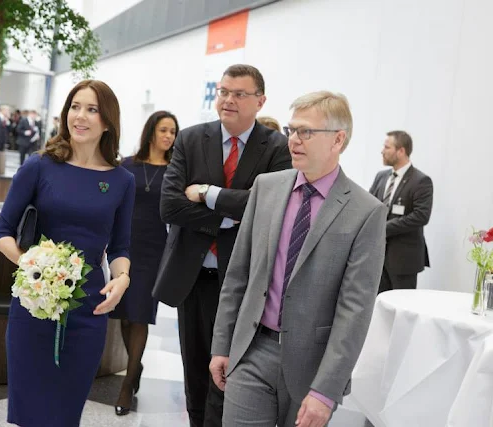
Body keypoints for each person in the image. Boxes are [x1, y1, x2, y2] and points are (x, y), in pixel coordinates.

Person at [210, 91, 387, 427]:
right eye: (291, 130)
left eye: (306, 132)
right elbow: (238, 275)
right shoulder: (267, 188)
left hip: (313, 367)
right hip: (252, 350)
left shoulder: (366, 212)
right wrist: (222, 344)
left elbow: (355, 311)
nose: (294, 140)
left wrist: (326, 391)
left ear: (338, 139)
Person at [153, 64, 292, 427]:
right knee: (195, 375)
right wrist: (229, 217)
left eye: (239, 94)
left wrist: (206, 194)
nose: (228, 100)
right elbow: (170, 206)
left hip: (242, 285)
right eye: (224, 92)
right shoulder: (191, 138)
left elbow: (268, 206)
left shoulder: (277, 147)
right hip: (192, 278)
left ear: (260, 101)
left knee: (230, 377)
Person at [0, 79, 136, 427]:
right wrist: (35, 266)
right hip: (34, 305)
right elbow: (2, 232)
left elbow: (119, 246)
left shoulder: (122, 180)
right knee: (30, 412)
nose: (80, 116)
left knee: (65, 413)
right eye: (75, 106)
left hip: (88, 308)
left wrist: (122, 279)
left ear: (108, 121)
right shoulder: (39, 166)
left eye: (91, 109)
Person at [110, 110, 179, 416]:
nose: (168, 137)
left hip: (155, 249)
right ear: (151, 132)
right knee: (124, 315)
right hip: (125, 245)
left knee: (140, 314)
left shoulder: (176, 170)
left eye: (173, 132)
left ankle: (127, 383)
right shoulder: (128, 165)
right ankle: (135, 366)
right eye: (164, 130)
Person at [369, 130, 433, 292]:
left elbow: (420, 216)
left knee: (402, 308)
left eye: (387, 147)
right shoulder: (381, 177)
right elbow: (370, 206)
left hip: (404, 260)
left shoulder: (421, 181)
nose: (382, 151)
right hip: (378, 258)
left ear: (401, 151)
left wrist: (383, 228)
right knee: (378, 307)